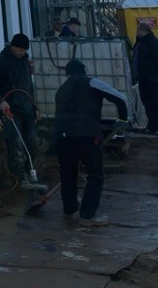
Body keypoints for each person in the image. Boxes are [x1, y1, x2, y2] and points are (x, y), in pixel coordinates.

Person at [53, 58, 130, 225]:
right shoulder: (91, 82)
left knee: (68, 173)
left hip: (62, 137)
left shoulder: (61, 90)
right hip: (86, 135)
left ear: (67, 73)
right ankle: (87, 215)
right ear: (84, 71)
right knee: (95, 174)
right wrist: (122, 119)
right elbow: (120, 98)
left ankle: (70, 208)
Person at [0, 32, 41, 188]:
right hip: (10, 109)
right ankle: (19, 177)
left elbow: (28, 86)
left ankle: (30, 171)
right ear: (12, 47)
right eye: (19, 50)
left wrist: (35, 107)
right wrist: (0, 101)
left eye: (24, 51)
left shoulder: (24, 62)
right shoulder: (1, 61)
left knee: (32, 141)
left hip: (27, 108)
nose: (22, 53)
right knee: (16, 143)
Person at [132, 21, 158, 135]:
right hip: (143, 78)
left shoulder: (153, 43)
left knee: (155, 102)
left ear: (143, 31)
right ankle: (153, 126)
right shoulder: (142, 43)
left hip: (152, 78)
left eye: (138, 30)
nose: (136, 33)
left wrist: (149, 72)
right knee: (148, 103)